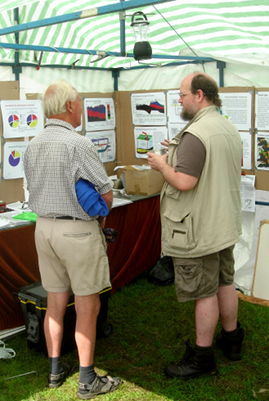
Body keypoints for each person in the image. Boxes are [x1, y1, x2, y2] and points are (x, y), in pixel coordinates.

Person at [23, 80, 121, 399]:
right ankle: (87, 379)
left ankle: (54, 371)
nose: (80, 108)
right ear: (69, 106)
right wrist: (100, 215)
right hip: (77, 232)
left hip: (44, 229)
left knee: (54, 302)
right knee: (87, 306)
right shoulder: (78, 144)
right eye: (79, 103)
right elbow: (106, 195)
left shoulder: (33, 143)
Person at [148, 72, 244, 379]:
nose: (180, 99)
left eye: (183, 94)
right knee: (225, 282)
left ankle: (203, 358)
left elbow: (185, 182)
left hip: (200, 228)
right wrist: (178, 151)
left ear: (200, 95)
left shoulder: (197, 133)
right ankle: (231, 339)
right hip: (223, 224)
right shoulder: (227, 126)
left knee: (205, 292)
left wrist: (163, 165)